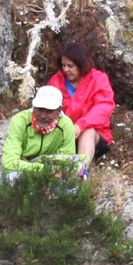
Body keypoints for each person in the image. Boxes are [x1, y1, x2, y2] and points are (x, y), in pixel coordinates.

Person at [44, 40, 116, 179]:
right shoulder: (56, 81)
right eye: (63, 65)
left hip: (94, 137)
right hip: (63, 136)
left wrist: (80, 125)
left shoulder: (98, 79)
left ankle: (80, 174)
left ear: (82, 64)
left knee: (88, 132)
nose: (66, 70)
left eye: (70, 66)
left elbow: (104, 107)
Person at [0, 86, 81, 182]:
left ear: (59, 111)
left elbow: (67, 161)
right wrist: (46, 169)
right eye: (40, 109)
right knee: (11, 178)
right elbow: (9, 163)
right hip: (24, 173)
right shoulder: (20, 121)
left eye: (49, 111)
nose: (43, 115)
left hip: (49, 176)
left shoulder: (66, 125)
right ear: (34, 107)